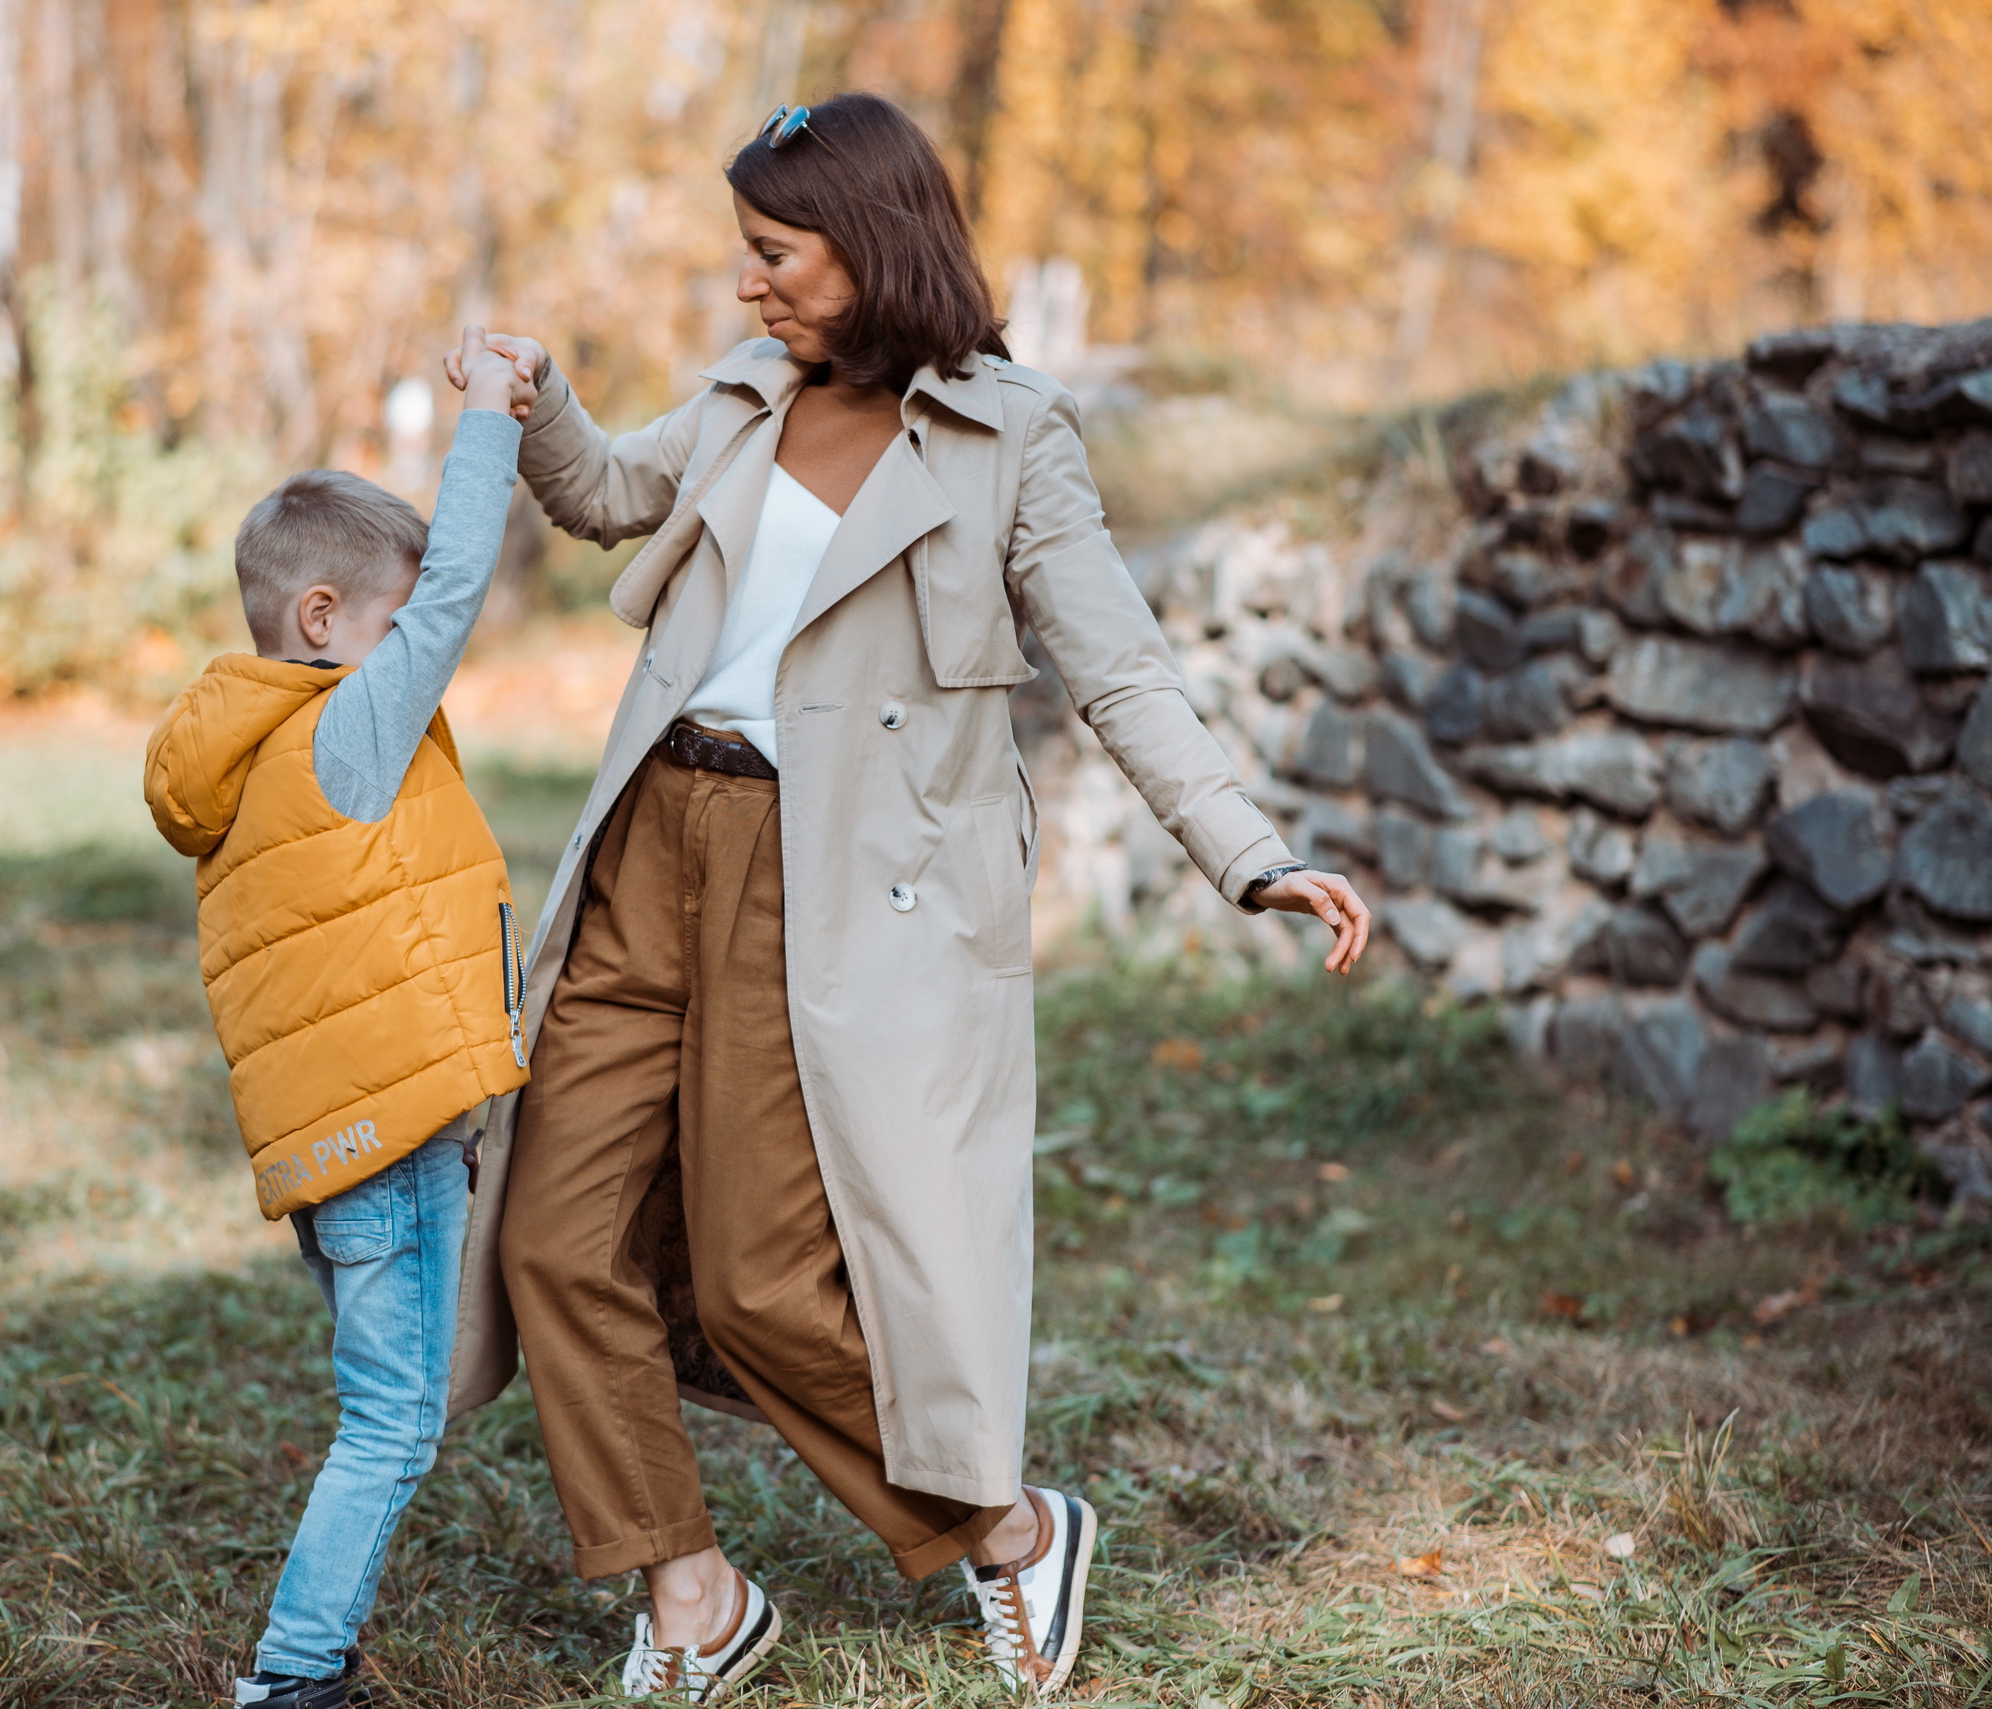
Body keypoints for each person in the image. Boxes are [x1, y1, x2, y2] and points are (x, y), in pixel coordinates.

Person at [445, 94, 1372, 1701]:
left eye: (774, 253)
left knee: (750, 1280)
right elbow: (604, 493)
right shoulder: (746, 393)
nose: (750, 287)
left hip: (823, 888)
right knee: (547, 1232)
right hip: (644, 841)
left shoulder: (1012, 438)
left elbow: (1121, 668)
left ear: (868, 248)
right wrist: (540, 398)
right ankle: (692, 1590)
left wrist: (1250, 850)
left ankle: (1009, 1527)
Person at [142, 330, 541, 1709]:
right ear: (322, 621)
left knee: (384, 1403)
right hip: (390, 1140)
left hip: (329, 1146)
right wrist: (488, 416)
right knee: (392, 1420)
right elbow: (460, 594)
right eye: (392, 621)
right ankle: (295, 1671)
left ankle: (315, 1652)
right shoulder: (344, 732)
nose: (416, 649)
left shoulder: (251, 766)